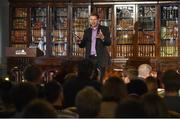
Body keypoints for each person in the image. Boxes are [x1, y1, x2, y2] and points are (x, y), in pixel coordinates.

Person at [77, 13, 111, 82]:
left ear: (98, 20)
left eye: (95, 19)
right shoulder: (87, 31)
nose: (93, 21)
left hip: (101, 58)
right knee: (89, 79)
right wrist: (80, 42)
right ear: (89, 21)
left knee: (101, 79)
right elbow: (83, 45)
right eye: (91, 19)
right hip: (90, 58)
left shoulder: (104, 29)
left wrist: (103, 37)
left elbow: (109, 42)